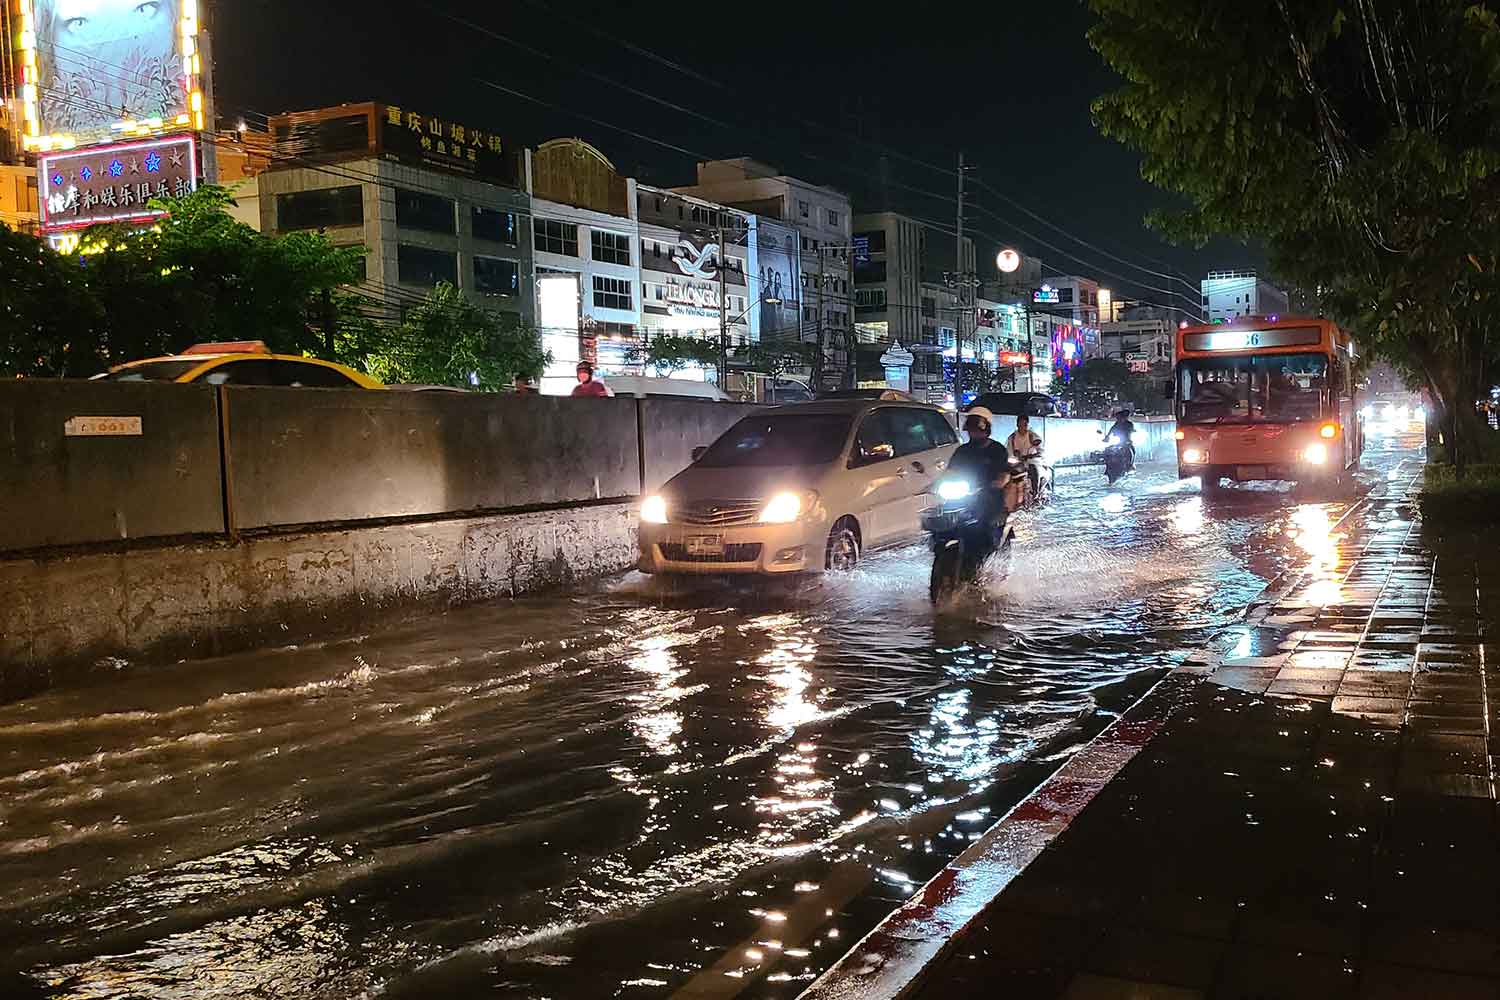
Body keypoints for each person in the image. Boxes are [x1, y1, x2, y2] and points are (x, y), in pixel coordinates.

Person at [1006, 414, 1045, 498]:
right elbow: (1008, 452)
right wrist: (1013, 457)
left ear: (1027, 424)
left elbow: (1041, 450)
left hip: (1032, 460)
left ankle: (1035, 493)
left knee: (1033, 468)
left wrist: (1032, 455)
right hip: (1018, 462)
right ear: (1017, 425)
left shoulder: (1033, 436)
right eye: (1020, 424)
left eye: (1024, 424)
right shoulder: (1012, 438)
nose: (1022, 427)